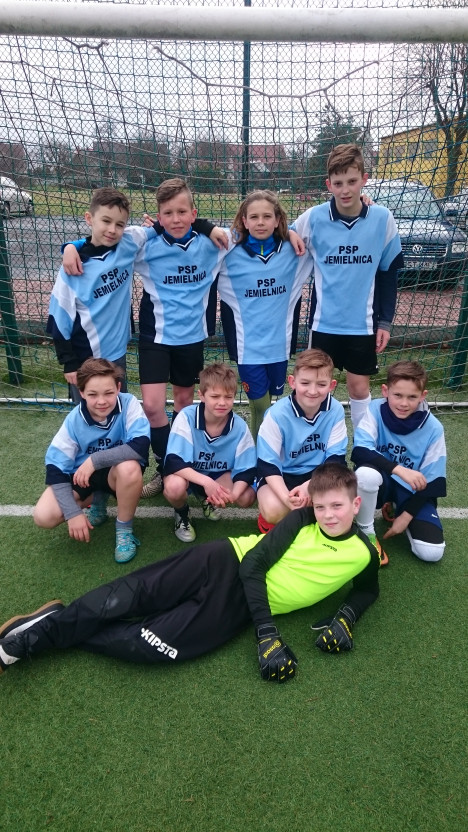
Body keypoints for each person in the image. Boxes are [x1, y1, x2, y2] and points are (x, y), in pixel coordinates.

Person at [0, 464, 380, 681]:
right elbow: (253, 565)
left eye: (337, 506)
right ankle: (33, 639)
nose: (328, 515)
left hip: (234, 607)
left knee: (148, 645)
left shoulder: (363, 553)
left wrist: (346, 618)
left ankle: (57, 622)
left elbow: (367, 590)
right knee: (126, 597)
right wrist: (267, 633)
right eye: (320, 506)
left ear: (355, 504)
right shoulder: (301, 519)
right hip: (223, 560)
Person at [61, 179, 228, 497]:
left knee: (184, 404)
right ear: (158, 216)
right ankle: (165, 467)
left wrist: (207, 227)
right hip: (155, 338)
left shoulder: (213, 242)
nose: (176, 219)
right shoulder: (144, 242)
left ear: (193, 214)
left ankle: (181, 467)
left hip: (192, 339)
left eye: (182, 212)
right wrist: (70, 247)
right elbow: (102, 241)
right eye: (168, 213)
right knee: (152, 406)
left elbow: (254, 231)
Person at [292, 144, 404, 431]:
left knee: (358, 388)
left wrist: (385, 322)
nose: (345, 190)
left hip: (362, 325)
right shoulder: (313, 218)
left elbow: (388, 274)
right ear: (328, 184)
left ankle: (363, 447)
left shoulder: (382, 219)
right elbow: (285, 234)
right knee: (315, 389)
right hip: (324, 323)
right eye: (338, 183)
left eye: (352, 181)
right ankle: (314, 446)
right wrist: (291, 235)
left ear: (364, 179)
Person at [33, 358, 151, 564]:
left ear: (118, 388)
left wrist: (94, 460)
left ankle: (124, 530)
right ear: (81, 393)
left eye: (108, 393)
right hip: (83, 478)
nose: (101, 401)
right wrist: (72, 513)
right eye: (93, 394)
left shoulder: (129, 403)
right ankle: (97, 498)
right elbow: (55, 469)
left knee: (130, 468)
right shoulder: (74, 419)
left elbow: (140, 445)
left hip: (116, 473)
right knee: (44, 516)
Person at [216, 189, 313, 439]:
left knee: (268, 404)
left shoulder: (294, 250)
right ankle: (262, 456)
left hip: (279, 347)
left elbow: (320, 227)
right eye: (254, 217)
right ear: (244, 221)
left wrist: (362, 200)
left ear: (278, 220)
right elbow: (197, 236)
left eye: (267, 216)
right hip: (247, 349)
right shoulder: (227, 251)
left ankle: (261, 450)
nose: (261, 222)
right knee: (261, 406)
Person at [48, 187, 154, 404]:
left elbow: (159, 228)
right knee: (89, 412)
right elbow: (59, 319)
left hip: (117, 353)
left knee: (117, 407)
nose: (112, 229)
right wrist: (69, 363)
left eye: (120, 224)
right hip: (86, 361)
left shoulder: (128, 242)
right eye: (106, 221)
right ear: (89, 218)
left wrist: (157, 225)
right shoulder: (73, 268)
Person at [351, 359, 446, 563]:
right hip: (381, 481)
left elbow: (434, 481)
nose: (404, 403)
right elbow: (360, 451)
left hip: (411, 491)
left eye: (412, 397)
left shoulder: (434, 428)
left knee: (431, 553)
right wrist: (400, 470)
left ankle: (397, 506)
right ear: (385, 391)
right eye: (398, 395)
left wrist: (406, 517)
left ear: (423, 396)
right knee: (365, 474)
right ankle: (366, 532)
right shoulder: (375, 409)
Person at [256, 348, 347, 531]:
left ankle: (309, 512)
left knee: (347, 501)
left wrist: (311, 486)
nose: (312, 391)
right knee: (274, 510)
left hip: (320, 474)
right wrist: (287, 500)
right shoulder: (276, 414)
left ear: (331, 385)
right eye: (305, 383)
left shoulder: (336, 410)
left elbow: (335, 460)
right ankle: (281, 515)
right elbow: (268, 465)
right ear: (292, 382)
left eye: (321, 384)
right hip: (283, 475)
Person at [163, 363, 256, 542]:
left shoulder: (239, 427)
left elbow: (247, 469)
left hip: (218, 475)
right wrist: (206, 482)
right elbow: (174, 462)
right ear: (201, 395)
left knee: (246, 497)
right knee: (174, 487)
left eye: (228, 397)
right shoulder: (186, 417)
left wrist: (232, 495)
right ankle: (182, 512)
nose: (222, 402)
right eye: (215, 396)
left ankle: (207, 500)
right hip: (189, 475)